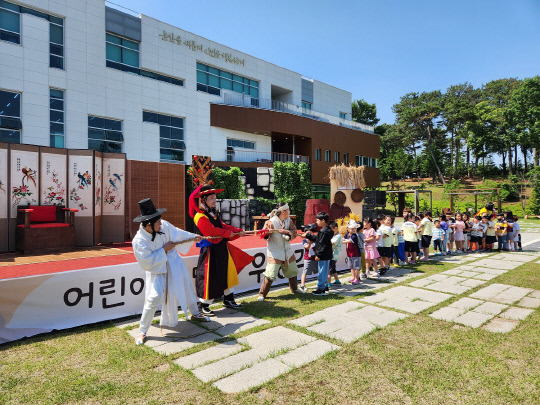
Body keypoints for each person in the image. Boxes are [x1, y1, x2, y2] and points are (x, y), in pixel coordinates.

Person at [132, 198, 210, 346]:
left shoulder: (164, 225)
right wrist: (164, 250)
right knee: (154, 298)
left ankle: (195, 313)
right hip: (158, 270)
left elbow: (177, 233)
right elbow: (146, 262)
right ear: (148, 225)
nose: (161, 224)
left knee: (186, 286)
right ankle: (142, 330)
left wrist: (193, 237)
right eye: (158, 223)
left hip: (174, 262)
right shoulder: (139, 241)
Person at [189, 185, 254, 316]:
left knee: (228, 273)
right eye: (212, 198)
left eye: (215, 198)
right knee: (210, 278)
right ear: (203, 200)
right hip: (210, 252)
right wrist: (227, 233)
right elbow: (211, 232)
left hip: (221, 248)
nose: (214, 200)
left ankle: (228, 299)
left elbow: (223, 226)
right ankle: (203, 305)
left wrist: (236, 231)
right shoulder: (200, 216)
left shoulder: (212, 214)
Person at [258, 202, 304, 301]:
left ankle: (294, 289)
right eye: (288, 210)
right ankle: (262, 294)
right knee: (270, 274)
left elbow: (295, 232)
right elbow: (262, 235)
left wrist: (288, 234)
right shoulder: (270, 222)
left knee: (292, 271)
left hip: (287, 251)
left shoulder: (289, 221)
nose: (289, 212)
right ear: (283, 211)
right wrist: (267, 232)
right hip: (275, 252)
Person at [301, 212, 334, 295]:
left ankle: (321, 289)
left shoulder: (324, 232)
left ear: (323, 221)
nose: (316, 222)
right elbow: (317, 239)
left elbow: (321, 245)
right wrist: (307, 236)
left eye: (317, 220)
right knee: (324, 271)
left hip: (323, 255)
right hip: (326, 255)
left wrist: (318, 255)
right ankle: (324, 286)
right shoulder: (326, 230)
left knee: (322, 272)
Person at [343, 220, 363, 284]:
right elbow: (344, 238)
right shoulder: (347, 234)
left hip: (355, 254)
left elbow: (349, 241)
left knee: (356, 267)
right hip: (349, 253)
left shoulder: (354, 236)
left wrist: (340, 242)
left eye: (355, 228)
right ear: (348, 228)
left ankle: (357, 278)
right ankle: (353, 277)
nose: (354, 230)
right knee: (351, 266)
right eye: (352, 228)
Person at [300, 224, 318, 292]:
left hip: (316, 258)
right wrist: (310, 243)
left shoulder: (315, 238)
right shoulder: (305, 240)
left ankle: (320, 284)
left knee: (318, 271)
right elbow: (307, 247)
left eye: (311, 232)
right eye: (308, 233)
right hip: (308, 258)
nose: (310, 234)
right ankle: (302, 285)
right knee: (305, 271)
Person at [328, 221, 343, 287]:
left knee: (329, 270)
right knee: (333, 268)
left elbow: (332, 243)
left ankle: (328, 283)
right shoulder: (334, 235)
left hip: (334, 255)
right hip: (333, 255)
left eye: (332, 229)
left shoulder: (338, 236)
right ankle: (337, 280)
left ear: (336, 228)